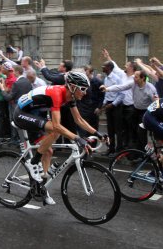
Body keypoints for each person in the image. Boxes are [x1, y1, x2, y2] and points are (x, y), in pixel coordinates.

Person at [13, 71, 109, 205]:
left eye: (86, 89)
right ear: (72, 87)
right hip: (22, 113)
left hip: (35, 113)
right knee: (55, 130)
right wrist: (77, 138)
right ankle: (33, 162)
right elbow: (57, 125)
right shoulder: (57, 94)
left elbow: (79, 120)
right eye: (82, 89)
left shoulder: (70, 97)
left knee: (49, 151)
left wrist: (97, 133)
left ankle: (40, 188)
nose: (85, 93)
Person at [100, 70, 157, 150]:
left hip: (145, 112)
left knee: (141, 131)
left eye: (136, 77)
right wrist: (107, 89)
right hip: (136, 109)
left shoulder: (150, 89)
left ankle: (143, 153)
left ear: (142, 78)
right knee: (132, 130)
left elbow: (156, 103)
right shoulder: (133, 84)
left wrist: (154, 116)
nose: (134, 78)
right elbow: (121, 87)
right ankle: (133, 150)